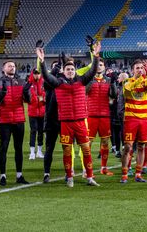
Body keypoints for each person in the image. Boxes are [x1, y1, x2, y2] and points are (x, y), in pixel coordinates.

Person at [38, 46, 100, 187]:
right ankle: (69, 177)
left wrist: (95, 56)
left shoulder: (82, 81)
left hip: (80, 122)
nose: (70, 71)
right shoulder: (58, 84)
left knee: (86, 149)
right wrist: (42, 62)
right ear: (63, 72)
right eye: (68, 69)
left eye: (72, 69)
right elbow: (46, 77)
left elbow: (93, 71)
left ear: (75, 70)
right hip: (65, 123)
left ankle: (90, 177)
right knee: (67, 150)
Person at [0, 60, 31, 186]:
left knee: (18, 149)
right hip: (5, 120)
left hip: (19, 119)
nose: (12, 67)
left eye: (13, 66)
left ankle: (19, 175)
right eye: (9, 66)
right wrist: (3, 91)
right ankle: (2, 176)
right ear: (4, 68)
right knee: (4, 148)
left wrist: (26, 91)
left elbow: (28, 100)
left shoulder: (21, 81)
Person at [121, 59, 147, 183]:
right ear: (132, 70)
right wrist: (140, 79)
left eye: (141, 68)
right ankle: (125, 174)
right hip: (131, 119)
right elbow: (127, 91)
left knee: (142, 146)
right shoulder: (127, 81)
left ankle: (138, 174)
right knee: (128, 146)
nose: (139, 70)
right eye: (137, 68)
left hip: (144, 119)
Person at [85, 58, 117, 176]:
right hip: (91, 115)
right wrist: (90, 78)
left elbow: (113, 96)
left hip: (104, 115)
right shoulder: (88, 79)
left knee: (105, 142)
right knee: (88, 143)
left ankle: (104, 167)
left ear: (104, 68)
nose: (99, 67)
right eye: (97, 65)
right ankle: (86, 170)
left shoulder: (108, 80)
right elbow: (85, 91)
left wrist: (113, 83)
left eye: (101, 65)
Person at [26, 69, 46, 161]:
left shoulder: (44, 83)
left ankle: (39, 151)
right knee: (33, 131)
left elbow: (46, 95)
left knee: (41, 131)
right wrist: (36, 98)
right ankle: (32, 152)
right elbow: (25, 97)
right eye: (35, 73)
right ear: (32, 74)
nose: (37, 75)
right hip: (33, 112)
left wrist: (43, 98)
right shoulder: (29, 84)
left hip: (42, 111)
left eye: (38, 73)